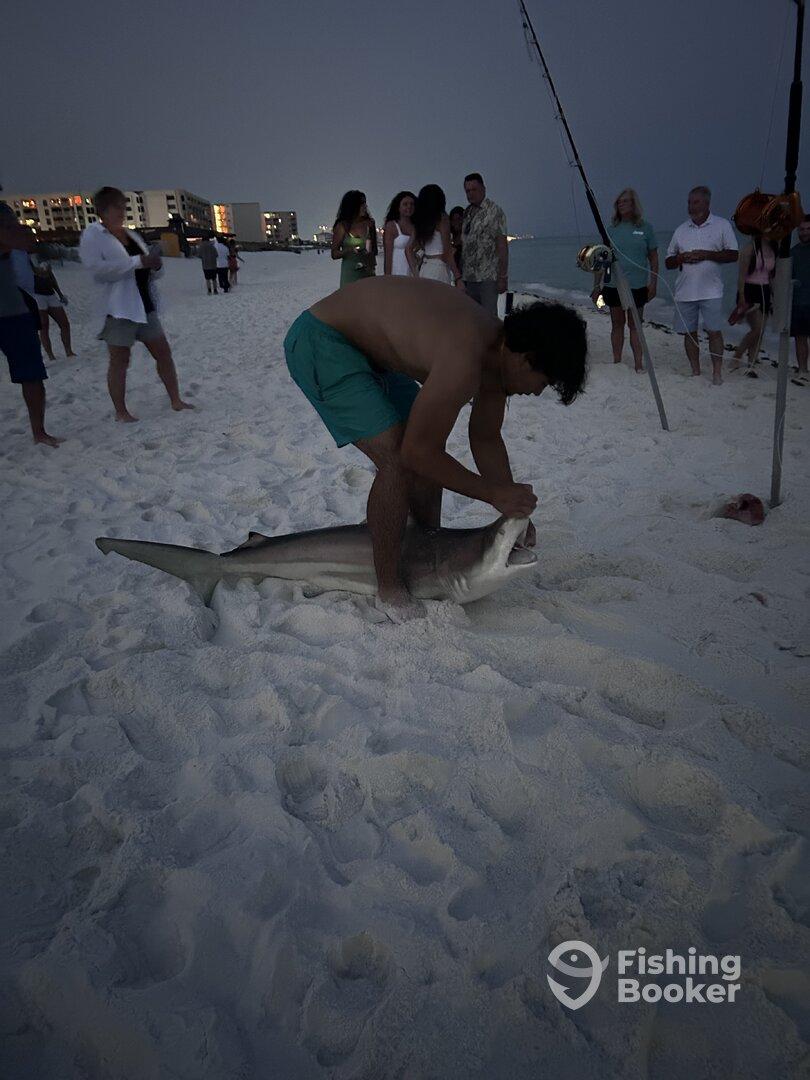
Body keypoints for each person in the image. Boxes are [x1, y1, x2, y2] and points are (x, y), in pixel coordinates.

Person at [283, 276, 587, 608]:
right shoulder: (466, 356)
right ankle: (389, 588)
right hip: (323, 340)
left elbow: (485, 438)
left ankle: (422, 550)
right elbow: (417, 453)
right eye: (544, 382)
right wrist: (491, 492)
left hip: (376, 355)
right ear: (525, 358)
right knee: (399, 458)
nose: (538, 391)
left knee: (429, 456)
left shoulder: (497, 357)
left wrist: (511, 508)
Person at [79, 186, 193, 422]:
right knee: (120, 360)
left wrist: (154, 265)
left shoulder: (131, 235)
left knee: (163, 353)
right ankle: (121, 411)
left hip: (144, 305)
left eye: (123, 206)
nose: (121, 211)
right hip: (119, 309)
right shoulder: (94, 235)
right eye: (116, 207)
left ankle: (175, 399)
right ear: (103, 210)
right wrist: (137, 261)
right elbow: (97, 272)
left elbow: (147, 271)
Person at [0, 197, 61, 446]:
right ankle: (39, 432)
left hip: (14, 311)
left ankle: (39, 431)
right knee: (31, 374)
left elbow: (24, 241)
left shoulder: (4, 213)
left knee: (32, 374)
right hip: (13, 311)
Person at [665, 186, 739, 385]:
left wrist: (706, 254)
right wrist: (681, 258)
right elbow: (668, 262)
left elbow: (733, 254)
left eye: (695, 202)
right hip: (685, 291)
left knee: (714, 330)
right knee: (689, 333)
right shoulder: (681, 230)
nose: (691, 206)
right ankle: (695, 370)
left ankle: (716, 372)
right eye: (689, 202)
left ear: (707, 203)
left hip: (711, 290)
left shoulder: (722, 225)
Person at [590, 188, 658, 372]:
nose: (622, 204)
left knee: (635, 325)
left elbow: (653, 257)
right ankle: (617, 361)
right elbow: (601, 259)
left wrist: (654, 282)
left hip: (637, 285)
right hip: (613, 284)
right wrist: (597, 286)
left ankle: (638, 363)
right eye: (619, 202)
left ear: (634, 204)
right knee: (617, 324)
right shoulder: (610, 231)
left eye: (626, 201)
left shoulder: (645, 228)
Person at [729, 232, 776, 375]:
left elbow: (772, 275)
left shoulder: (775, 248)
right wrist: (742, 297)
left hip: (765, 290)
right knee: (757, 328)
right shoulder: (749, 249)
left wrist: (774, 297)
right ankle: (737, 355)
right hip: (749, 290)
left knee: (760, 331)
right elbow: (741, 275)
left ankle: (752, 361)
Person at [461, 172, 508, 314]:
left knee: (488, 317)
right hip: (469, 277)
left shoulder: (494, 211)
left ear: (483, 189)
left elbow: (502, 246)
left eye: (474, 190)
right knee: (472, 318)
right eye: (467, 191)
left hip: (488, 277)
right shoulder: (467, 213)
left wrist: (502, 277)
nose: (470, 194)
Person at [406, 185, 462, 287]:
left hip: (425, 267)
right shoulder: (442, 219)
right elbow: (447, 252)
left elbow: (408, 249)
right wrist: (458, 277)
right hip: (439, 268)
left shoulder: (421, 222)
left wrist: (415, 273)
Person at [31, 256, 75, 361]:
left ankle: (68, 351)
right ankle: (50, 355)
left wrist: (60, 294)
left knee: (64, 323)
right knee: (44, 326)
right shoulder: (25, 259)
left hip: (50, 294)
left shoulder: (40, 255)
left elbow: (51, 277)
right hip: (37, 295)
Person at [331, 191, 377, 286]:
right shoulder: (342, 226)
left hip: (367, 271)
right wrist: (348, 250)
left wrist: (371, 264)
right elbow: (334, 254)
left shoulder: (369, 224)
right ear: (352, 206)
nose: (365, 206)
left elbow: (374, 250)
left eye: (365, 203)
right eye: (361, 204)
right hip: (350, 273)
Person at [789, 215, 810, 385]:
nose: (804, 232)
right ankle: (802, 369)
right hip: (799, 302)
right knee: (800, 338)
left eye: (808, 229)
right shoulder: (793, 252)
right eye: (801, 229)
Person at [383, 191, 416, 277]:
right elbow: (388, 255)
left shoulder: (417, 226)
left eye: (412, 204)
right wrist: (387, 277)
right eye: (405, 204)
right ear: (398, 207)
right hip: (397, 271)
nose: (409, 207)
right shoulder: (392, 225)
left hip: (413, 271)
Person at [449, 205, 465, 280]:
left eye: (459, 219)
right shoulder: (450, 238)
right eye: (453, 220)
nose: (456, 222)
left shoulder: (467, 238)